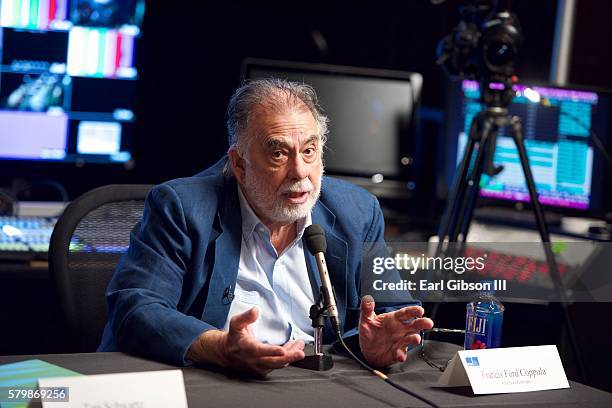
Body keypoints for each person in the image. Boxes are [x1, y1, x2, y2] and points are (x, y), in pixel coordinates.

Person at [98, 78, 434, 375]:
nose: (300, 172)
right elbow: (136, 308)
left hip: (319, 388)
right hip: (213, 381)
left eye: (309, 150)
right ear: (239, 164)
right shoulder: (181, 207)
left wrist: (372, 344)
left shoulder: (358, 212)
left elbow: (395, 314)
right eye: (278, 154)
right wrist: (218, 347)